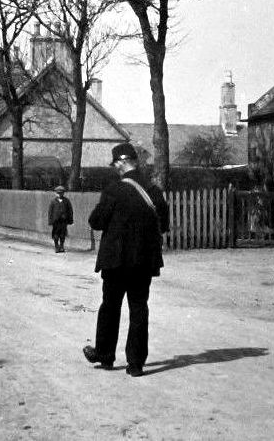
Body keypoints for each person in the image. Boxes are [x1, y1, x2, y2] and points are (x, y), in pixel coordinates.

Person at [83, 142, 169, 377]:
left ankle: (105, 355)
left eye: (115, 165)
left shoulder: (113, 190)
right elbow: (164, 225)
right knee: (139, 308)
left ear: (121, 163)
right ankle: (136, 364)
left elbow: (96, 222)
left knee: (110, 306)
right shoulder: (154, 190)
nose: (115, 169)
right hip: (143, 261)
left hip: (116, 261)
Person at [48, 185, 74, 253]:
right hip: (55, 221)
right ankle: (56, 246)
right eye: (58, 193)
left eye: (61, 193)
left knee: (63, 234)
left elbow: (70, 211)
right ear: (56, 193)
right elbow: (50, 212)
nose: (59, 194)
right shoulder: (53, 201)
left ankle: (62, 246)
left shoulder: (66, 201)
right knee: (55, 234)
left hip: (63, 221)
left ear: (63, 193)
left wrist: (70, 220)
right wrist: (50, 221)